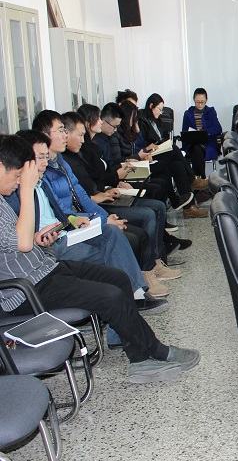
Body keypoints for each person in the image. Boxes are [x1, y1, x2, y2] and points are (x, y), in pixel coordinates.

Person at [0, 134, 199, 384]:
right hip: (25, 290)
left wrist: (36, 236)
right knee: (110, 296)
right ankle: (156, 351)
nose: (20, 182)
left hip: (43, 269)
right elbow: (21, 244)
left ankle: (138, 357)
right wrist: (28, 190)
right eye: (18, 175)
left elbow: (15, 240)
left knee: (118, 278)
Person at [8, 130, 168, 313]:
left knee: (111, 231)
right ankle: (130, 301)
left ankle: (137, 294)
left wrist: (75, 220)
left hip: (65, 232)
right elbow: (21, 235)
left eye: (46, 157)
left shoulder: (42, 182)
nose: (45, 163)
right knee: (109, 255)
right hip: (50, 245)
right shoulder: (17, 191)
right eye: (41, 158)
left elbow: (61, 210)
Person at [60, 111, 181, 286]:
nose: (81, 139)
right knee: (148, 215)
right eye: (78, 135)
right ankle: (146, 272)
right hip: (90, 212)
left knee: (157, 203)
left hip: (101, 201)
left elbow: (89, 188)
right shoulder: (67, 160)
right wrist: (103, 213)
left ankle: (155, 262)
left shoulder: (78, 154)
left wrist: (111, 187)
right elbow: (82, 198)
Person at [117, 101, 206, 219]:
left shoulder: (139, 127)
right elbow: (124, 157)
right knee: (172, 151)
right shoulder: (120, 134)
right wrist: (141, 154)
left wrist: (144, 150)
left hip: (143, 159)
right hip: (134, 166)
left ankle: (188, 207)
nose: (136, 120)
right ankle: (191, 182)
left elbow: (141, 146)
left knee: (177, 165)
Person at [140, 93, 207, 192]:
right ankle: (193, 179)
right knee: (175, 149)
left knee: (178, 164)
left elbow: (162, 137)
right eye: (159, 109)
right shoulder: (143, 122)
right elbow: (145, 142)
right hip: (150, 154)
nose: (161, 112)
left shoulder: (156, 121)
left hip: (159, 150)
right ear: (151, 106)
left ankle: (187, 198)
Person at [181, 87, 222, 180]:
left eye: (202, 102)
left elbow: (218, 128)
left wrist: (205, 133)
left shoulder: (211, 112)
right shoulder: (188, 114)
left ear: (206, 100)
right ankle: (202, 178)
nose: (200, 104)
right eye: (197, 102)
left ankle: (197, 179)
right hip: (192, 145)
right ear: (194, 100)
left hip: (208, 144)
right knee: (196, 148)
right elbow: (184, 132)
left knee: (197, 150)